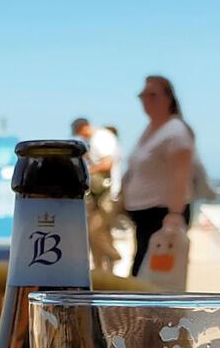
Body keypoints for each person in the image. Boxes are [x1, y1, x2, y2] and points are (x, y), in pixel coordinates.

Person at [119, 75, 195, 281]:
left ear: (168, 98)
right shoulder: (151, 129)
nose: (146, 100)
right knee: (143, 273)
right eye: (143, 96)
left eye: (152, 95)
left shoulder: (175, 131)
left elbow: (181, 173)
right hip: (143, 213)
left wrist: (175, 213)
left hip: (162, 213)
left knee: (154, 276)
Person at [73, 117, 121, 273]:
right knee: (101, 232)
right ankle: (102, 270)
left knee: (95, 231)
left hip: (107, 194)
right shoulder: (95, 140)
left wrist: (88, 171)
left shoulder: (101, 137)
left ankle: (113, 256)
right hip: (99, 195)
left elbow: (107, 164)